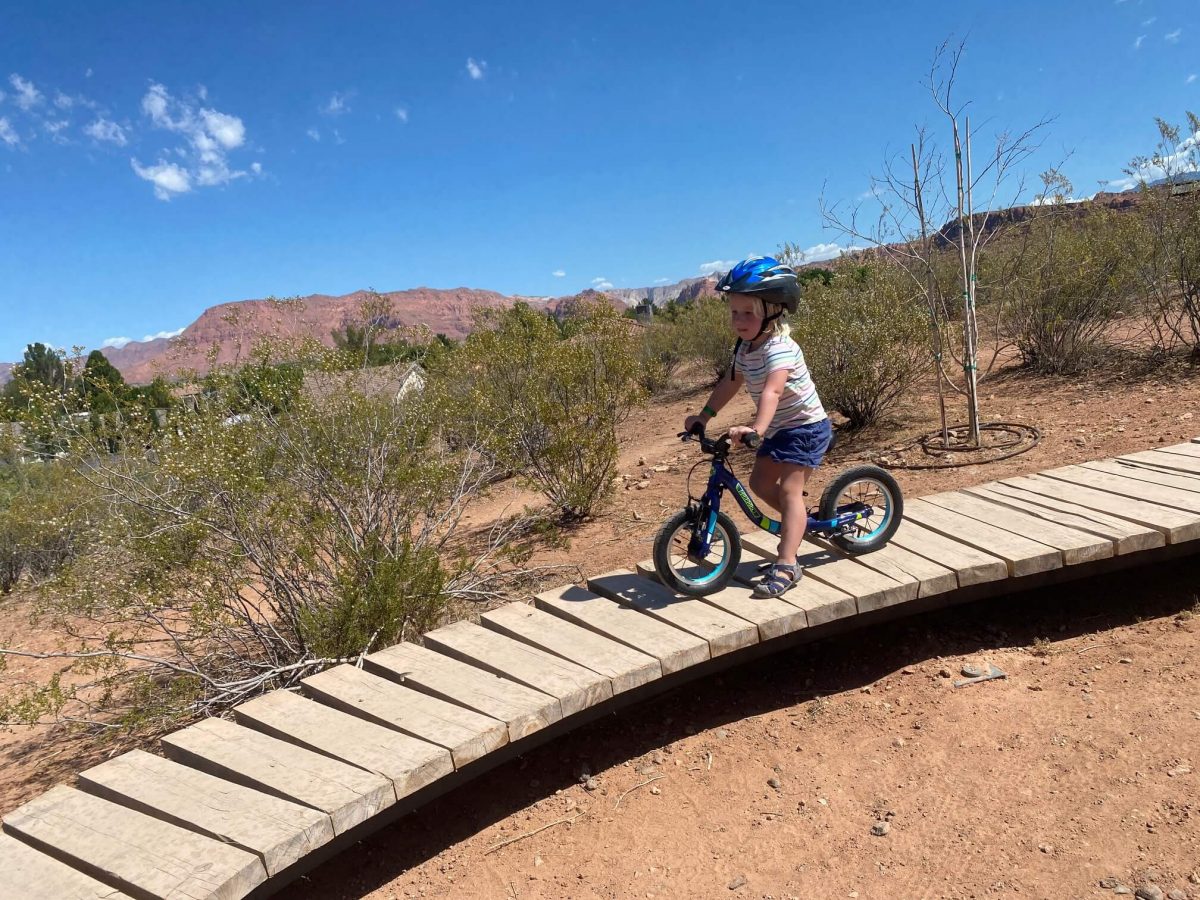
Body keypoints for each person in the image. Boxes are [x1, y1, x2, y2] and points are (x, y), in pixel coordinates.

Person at [682, 256, 831, 598]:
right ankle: (800, 522)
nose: (739, 320)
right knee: (760, 483)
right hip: (779, 429)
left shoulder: (780, 348)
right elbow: (730, 383)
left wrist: (756, 428)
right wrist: (704, 416)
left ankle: (788, 563)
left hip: (805, 428)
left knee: (790, 491)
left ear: (774, 310)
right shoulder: (745, 348)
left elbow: (772, 391)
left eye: (748, 312)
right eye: (734, 312)